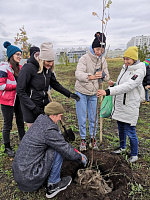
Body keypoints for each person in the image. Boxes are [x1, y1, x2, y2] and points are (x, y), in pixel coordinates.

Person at [12, 102, 87, 199]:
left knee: (56, 146)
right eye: (59, 116)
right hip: (29, 177)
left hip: (21, 174)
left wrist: (78, 152)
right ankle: (53, 185)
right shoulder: (49, 131)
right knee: (58, 149)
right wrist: (80, 157)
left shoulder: (41, 120)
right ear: (52, 115)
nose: (60, 119)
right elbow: (65, 149)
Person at [97, 46, 146, 163]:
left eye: (128, 59)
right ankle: (122, 147)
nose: (125, 61)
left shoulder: (139, 70)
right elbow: (122, 83)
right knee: (121, 128)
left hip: (130, 105)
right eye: (124, 59)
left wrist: (108, 91)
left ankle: (134, 154)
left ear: (134, 59)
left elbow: (129, 85)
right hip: (120, 104)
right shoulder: (125, 68)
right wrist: (113, 83)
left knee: (130, 131)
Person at [17, 42, 79, 129]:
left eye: (52, 61)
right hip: (30, 106)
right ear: (42, 59)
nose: (50, 64)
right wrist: (33, 108)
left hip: (44, 104)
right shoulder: (28, 68)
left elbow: (55, 84)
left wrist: (69, 94)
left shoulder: (47, 70)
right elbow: (20, 91)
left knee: (48, 130)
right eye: (48, 61)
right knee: (35, 133)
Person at [75, 32, 110, 151]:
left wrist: (103, 75)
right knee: (82, 116)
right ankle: (83, 139)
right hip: (81, 92)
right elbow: (78, 74)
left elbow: (107, 76)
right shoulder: (84, 58)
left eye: (101, 49)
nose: (98, 51)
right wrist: (92, 76)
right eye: (96, 49)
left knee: (93, 116)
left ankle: (93, 138)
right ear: (92, 47)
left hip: (94, 93)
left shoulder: (103, 60)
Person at [0, 41, 25, 157]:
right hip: (7, 101)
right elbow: (1, 86)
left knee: (20, 122)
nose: (20, 57)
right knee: (7, 124)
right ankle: (7, 147)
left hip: (18, 99)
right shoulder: (4, 68)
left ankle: (24, 143)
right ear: (11, 56)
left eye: (20, 54)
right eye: (17, 55)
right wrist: (17, 86)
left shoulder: (20, 68)